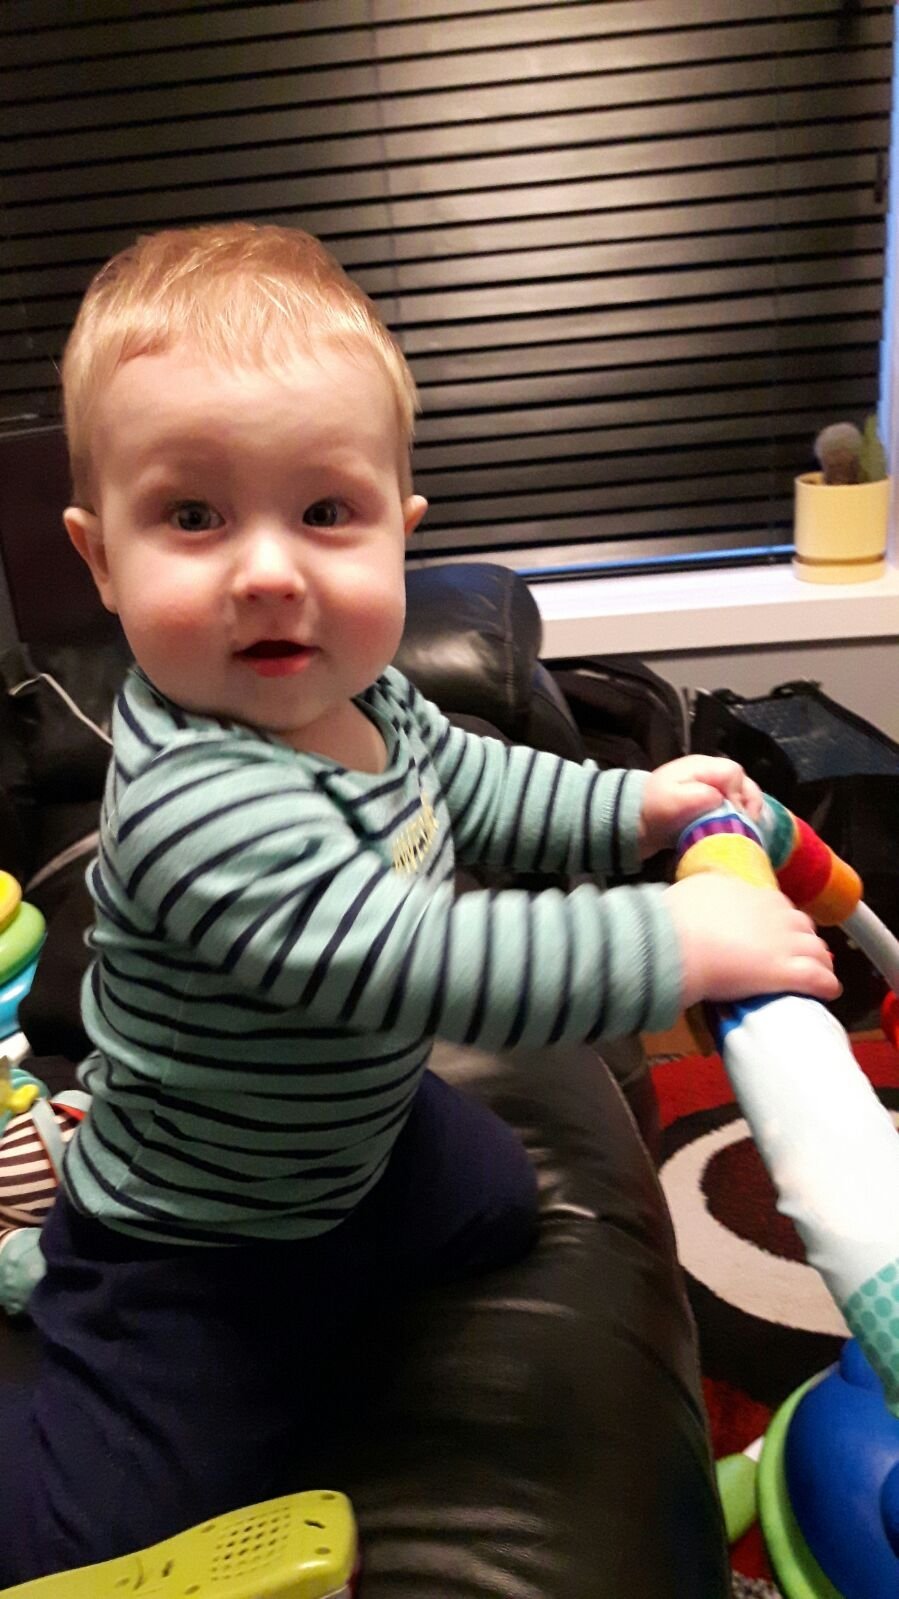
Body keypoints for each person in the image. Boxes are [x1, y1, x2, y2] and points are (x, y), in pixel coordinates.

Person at [0, 222, 840, 1585]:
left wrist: (633, 804)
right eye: (194, 517)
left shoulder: (370, 697)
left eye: (325, 513)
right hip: (201, 1242)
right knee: (95, 1530)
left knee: (500, 1196)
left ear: (403, 527)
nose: (268, 571)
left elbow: (480, 784)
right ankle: (55, 1287)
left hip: (359, 1144)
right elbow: (415, 958)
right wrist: (671, 941)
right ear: (101, 561)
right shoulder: (200, 805)